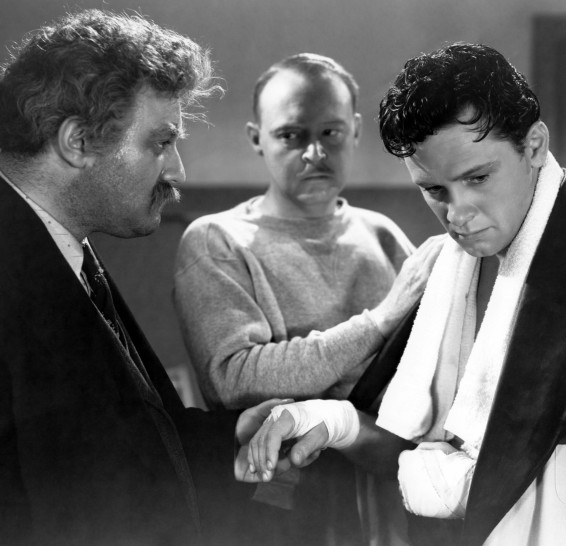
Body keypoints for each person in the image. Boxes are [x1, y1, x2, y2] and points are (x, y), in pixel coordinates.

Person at [247, 42, 566, 546]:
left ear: (534, 146)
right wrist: (330, 421)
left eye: (477, 178)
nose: (457, 215)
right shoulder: (442, 267)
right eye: (434, 190)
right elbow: (419, 455)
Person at [0, 9, 282, 546]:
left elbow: (102, 444)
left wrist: (231, 437)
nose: (177, 170)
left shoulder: (53, 239)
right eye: (160, 143)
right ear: (78, 142)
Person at [173, 53, 441, 545]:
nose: (315, 153)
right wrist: (378, 322)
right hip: (279, 511)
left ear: (355, 131)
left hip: (390, 496)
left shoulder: (381, 234)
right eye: (291, 135)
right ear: (257, 137)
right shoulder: (218, 240)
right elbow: (235, 380)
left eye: (330, 133)